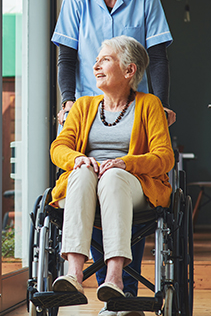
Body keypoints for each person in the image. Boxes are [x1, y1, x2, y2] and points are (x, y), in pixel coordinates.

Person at [51, 0, 175, 308]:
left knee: (118, 179)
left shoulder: (146, 1)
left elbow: (160, 58)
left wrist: (159, 105)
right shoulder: (76, 2)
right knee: (84, 175)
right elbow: (67, 58)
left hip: (132, 121)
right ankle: (77, 273)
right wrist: (70, 101)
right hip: (91, 106)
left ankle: (120, 287)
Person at [49, 37, 174, 315]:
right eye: (96, 60)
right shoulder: (82, 106)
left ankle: (115, 278)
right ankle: (73, 274)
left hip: (132, 185)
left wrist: (125, 163)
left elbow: (164, 157)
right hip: (88, 185)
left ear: (129, 71)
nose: (95, 66)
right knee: (80, 173)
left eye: (105, 59)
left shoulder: (149, 104)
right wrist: (77, 158)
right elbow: (59, 148)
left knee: (113, 176)